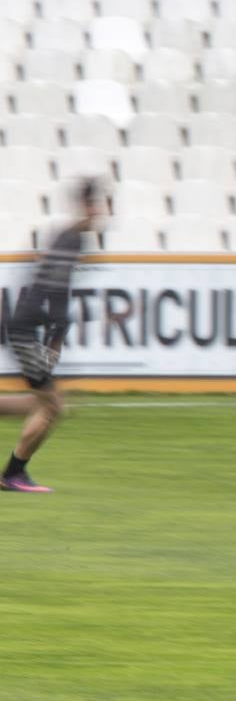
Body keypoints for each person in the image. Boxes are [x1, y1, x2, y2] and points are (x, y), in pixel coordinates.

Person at [1, 177, 108, 493]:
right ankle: (12, 474)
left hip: (25, 327)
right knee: (52, 407)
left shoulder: (68, 238)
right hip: (26, 331)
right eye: (99, 206)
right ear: (88, 206)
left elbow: (49, 287)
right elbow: (56, 290)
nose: (101, 213)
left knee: (39, 402)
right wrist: (56, 336)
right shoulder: (71, 240)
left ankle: (13, 474)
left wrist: (55, 335)